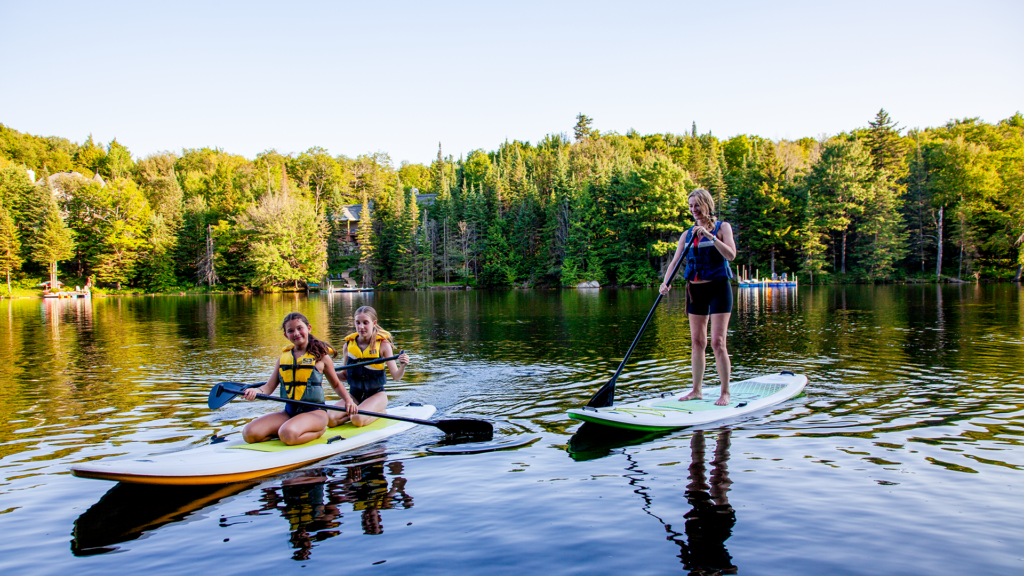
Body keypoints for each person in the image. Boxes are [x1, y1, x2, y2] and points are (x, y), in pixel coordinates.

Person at [659, 188, 738, 406]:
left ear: (707, 205)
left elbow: (731, 254)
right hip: (695, 291)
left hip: (719, 289)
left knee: (718, 342)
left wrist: (710, 236)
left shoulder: (723, 228)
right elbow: (674, 263)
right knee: (697, 342)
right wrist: (665, 283)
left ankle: (725, 393)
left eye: (697, 205)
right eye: (690, 206)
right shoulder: (687, 234)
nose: (693, 210)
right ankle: (696, 390)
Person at [242, 312, 355, 445]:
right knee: (249, 433)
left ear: (309, 328)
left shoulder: (321, 357)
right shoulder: (283, 358)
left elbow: (336, 384)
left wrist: (348, 400)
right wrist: (255, 392)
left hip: (315, 413)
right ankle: (288, 431)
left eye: (299, 328)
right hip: (289, 412)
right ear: (286, 335)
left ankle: (317, 432)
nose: (296, 333)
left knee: (287, 434)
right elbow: (267, 387)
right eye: (291, 331)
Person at [329, 305, 410, 427]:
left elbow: (396, 377)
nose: (361, 327)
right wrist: (327, 372)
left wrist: (402, 366)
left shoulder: (383, 345)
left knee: (356, 419)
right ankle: (358, 412)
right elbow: (345, 376)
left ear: (374, 323)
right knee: (330, 419)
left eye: (365, 323)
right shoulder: (348, 346)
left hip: (376, 395)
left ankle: (379, 411)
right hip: (354, 395)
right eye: (358, 323)